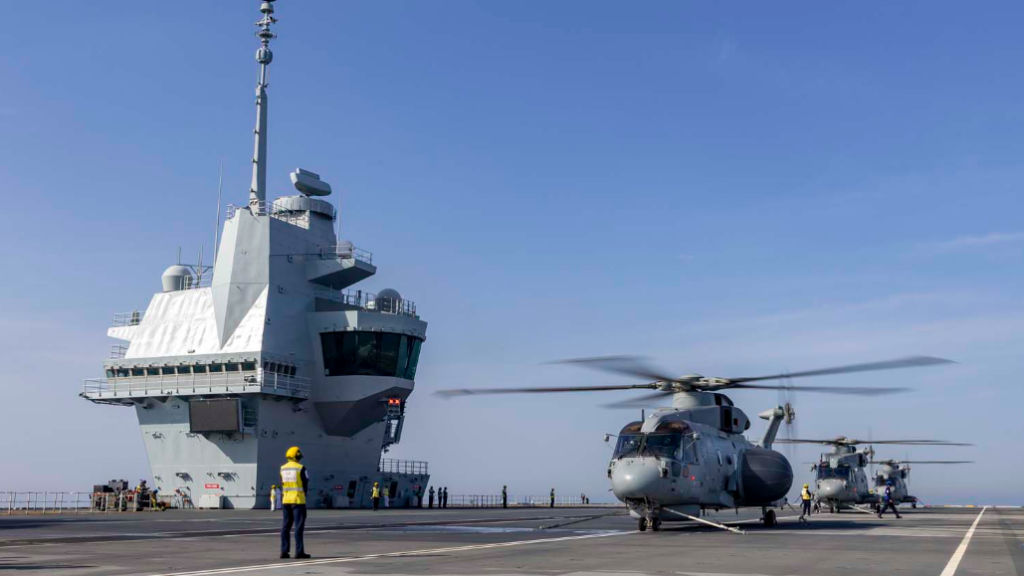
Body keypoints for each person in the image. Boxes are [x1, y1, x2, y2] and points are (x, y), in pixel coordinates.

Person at [280, 446, 311, 559]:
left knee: (285, 527)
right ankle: (299, 552)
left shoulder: (282, 468)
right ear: (297, 455)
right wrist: (304, 495)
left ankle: (284, 551)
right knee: (298, 527)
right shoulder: (301, 468)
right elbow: (305, 484)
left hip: (286, 500)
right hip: (298, 500)